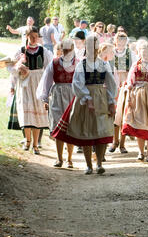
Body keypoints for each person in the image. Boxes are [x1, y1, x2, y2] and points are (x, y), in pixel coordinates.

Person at [52, 35, 117, 175]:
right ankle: (89, 165)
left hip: (101, 98)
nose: (92, 48)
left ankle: (99, 163)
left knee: (102, 130)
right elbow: (77, 84)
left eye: (94, 45)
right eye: (89, 45)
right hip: (86, 100)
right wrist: (87, 98)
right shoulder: (81, 64)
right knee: (87, 131)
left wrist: (112, 102)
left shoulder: (104, 64)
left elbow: (111, 84)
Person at [122, 41, 148, 162]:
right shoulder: (136, 66)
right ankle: (141, 152)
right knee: (140, 123)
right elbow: (130, 83)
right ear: (139, 53)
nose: (146, 55)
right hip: (138, 97)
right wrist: (129, 97)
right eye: (144, 53)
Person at [12, 26, 53, 154]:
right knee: (26, 110)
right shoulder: (21, 50)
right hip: (25, 83)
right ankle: (27, 140)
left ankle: (35, 144)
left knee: (37, 113)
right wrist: (19, 67)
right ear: (27, 36)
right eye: (31, 36)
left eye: (36, 36)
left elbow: (49, 68)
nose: (34, 39)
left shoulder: (43, 51)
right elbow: (11, 65)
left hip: (38, 82)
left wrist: (48, 87)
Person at [37, 39, 76, 168]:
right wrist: (45, 98)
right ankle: (59, 158)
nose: (67, 52)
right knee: (58, 126)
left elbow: (82, 82)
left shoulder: (78, 64)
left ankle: (69, 159)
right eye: (65, 50)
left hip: (72, 95)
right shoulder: (54, 64)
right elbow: (47, 81)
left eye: (69, 50)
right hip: (57, 95)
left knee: (71, 127)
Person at [109, 32, 132, 154]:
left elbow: (132, 70)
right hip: (113, 83)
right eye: (119, 39)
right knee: (114, 114)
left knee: (124, 114)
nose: (121, 42)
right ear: (116, 41)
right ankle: (114, 141)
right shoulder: (112, 52)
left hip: (125, 83)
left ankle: (122, 143)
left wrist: (127, 83)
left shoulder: (130, 53)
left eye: (123, 40)